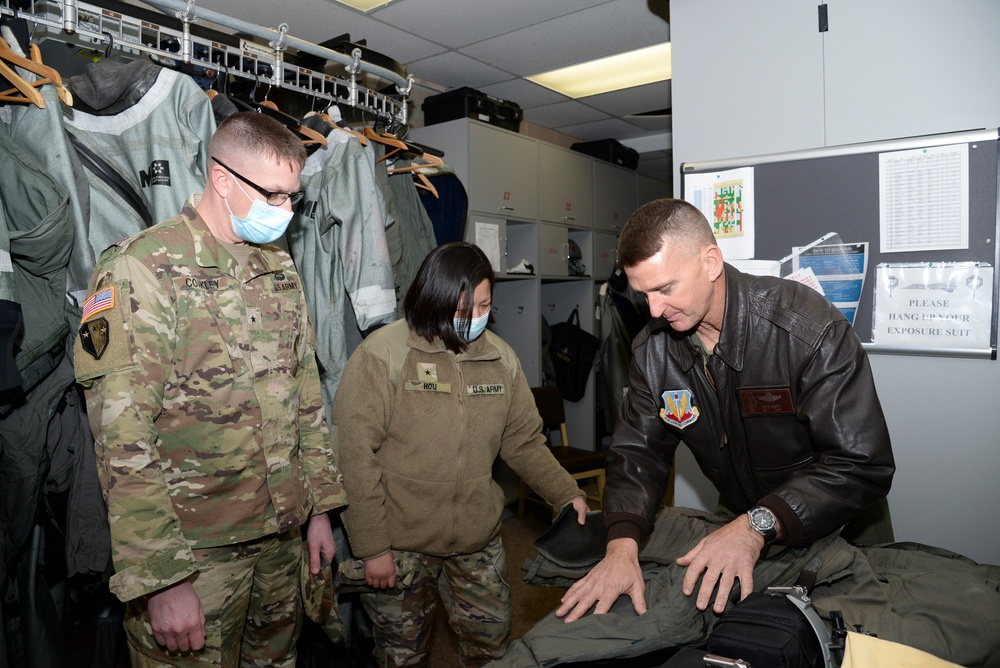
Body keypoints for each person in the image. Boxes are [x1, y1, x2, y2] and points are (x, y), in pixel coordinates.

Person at [73, 112, 347, 666]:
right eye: (273, 194)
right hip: (196, 558)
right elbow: (121, 438)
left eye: (293, 196)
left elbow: (306, 397)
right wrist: (161, 579)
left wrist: (320, 510)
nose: (286, 211)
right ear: (222, 180)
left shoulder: (279, 268)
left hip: (280, 540)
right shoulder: (140, 269)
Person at [557, 198, 895, 623]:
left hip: (841, 520)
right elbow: (637, 454)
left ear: (712, 262)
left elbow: (862, 463)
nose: (655, 310)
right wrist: (621, 546)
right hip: (740, 515)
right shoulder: (653, 350)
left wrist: (756, 524)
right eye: (643, 295)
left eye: (665, 288)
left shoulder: (807, 330)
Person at [332, 241, 590, 667]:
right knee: (402, 658)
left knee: (493, 651)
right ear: (433, 299)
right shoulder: (383, 355)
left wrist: (566, 492)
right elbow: (354, 456)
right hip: (400, 544)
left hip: (476, 540)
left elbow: (523, 441)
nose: (474, 318)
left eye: (484, 305)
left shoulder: (499, 358)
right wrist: (372, 547)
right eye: (462, 308)